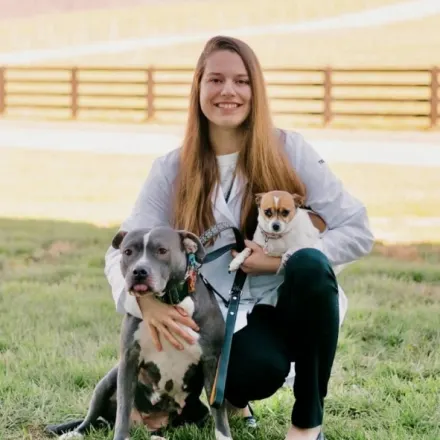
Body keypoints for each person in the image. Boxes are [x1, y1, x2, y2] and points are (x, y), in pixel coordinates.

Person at [104, 35, 374, 440]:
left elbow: (357, 230)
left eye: (241, 81)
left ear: (256, 90)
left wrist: (280, 261)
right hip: (221, 319)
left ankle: (306, 423)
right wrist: (143, 304)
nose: (228, 91)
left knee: (311, 264)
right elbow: (120, 253)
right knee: (248, 374)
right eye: (215, 79)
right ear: (198, 87)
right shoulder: (170, 169)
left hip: (288, 304)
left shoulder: (290, 149)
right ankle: (230, 396)